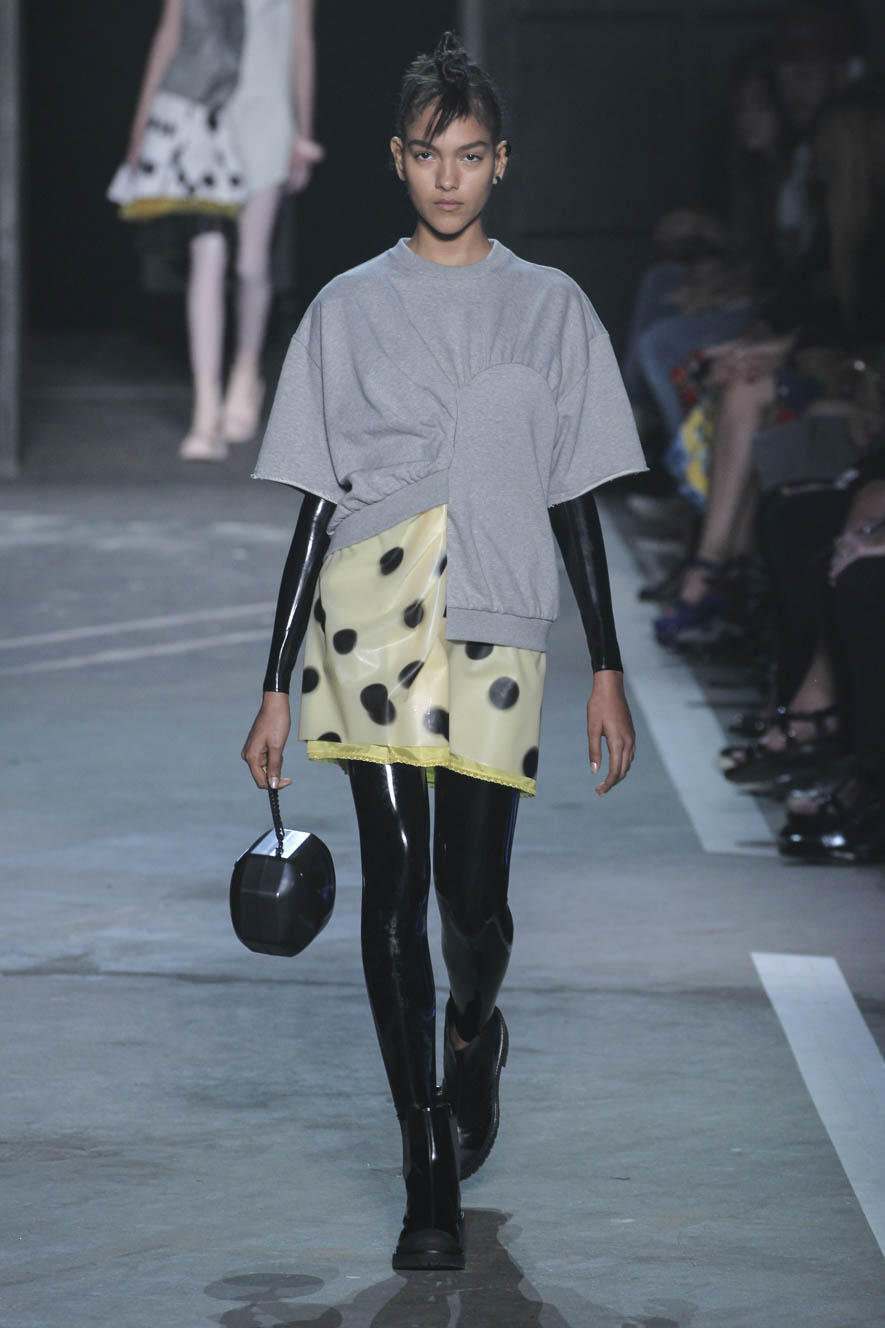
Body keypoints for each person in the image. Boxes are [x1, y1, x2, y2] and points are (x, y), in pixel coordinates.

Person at [240, 32, 645, 1271]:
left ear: (501, 162)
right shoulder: (346, 308)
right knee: (398, 882)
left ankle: (475, 1029)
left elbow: (575, 494)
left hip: (500, 613)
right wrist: (272, 683)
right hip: (365, 617)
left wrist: (609, 666)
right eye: (428, 153)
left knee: (476, 903)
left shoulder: (551, 307)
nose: (449, 176)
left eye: (470, 155)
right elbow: (315, 502)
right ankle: (424, 1156)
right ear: (398, 159)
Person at [109, 0, 323, 462]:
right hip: (203, 115)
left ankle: (245, 371)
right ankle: (205, 410)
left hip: (266, 117)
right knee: (207, 257)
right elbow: (169, 35)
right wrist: (142, 126)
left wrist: (303, 134)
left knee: (250, 264)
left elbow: (300, 44)